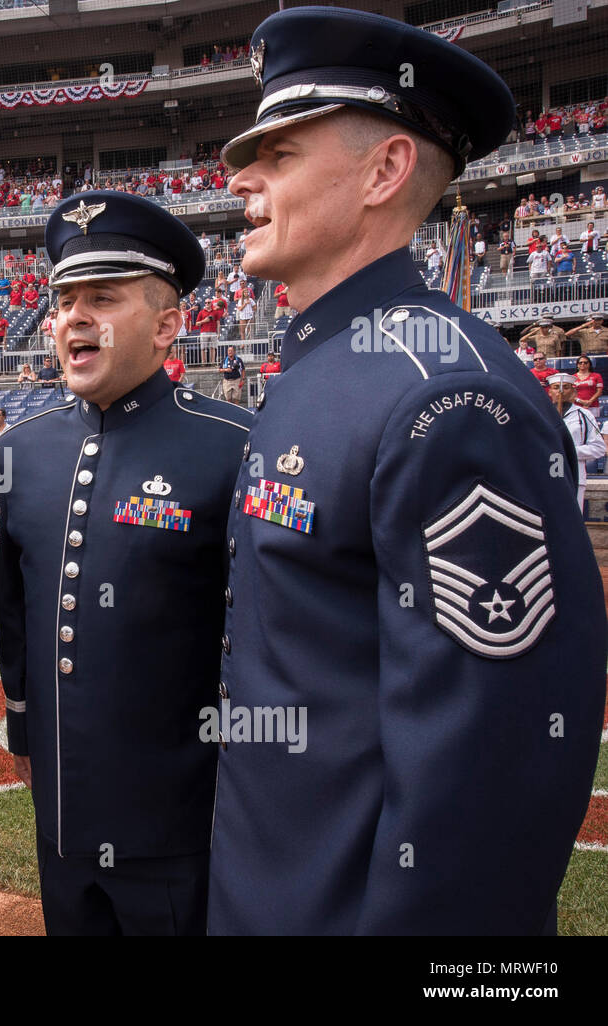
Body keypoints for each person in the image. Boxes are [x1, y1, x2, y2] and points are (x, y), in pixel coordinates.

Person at [209, 7, 605, 935]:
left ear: (385, 170)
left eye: (279, 156)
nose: (241, 181)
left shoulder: (448, 395)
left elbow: (491, 772)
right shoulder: (326, 365)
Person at [0, 190, 253, 935]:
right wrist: (24, 731)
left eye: (102, 298)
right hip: (64, 827)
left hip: (180, 830)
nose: (74, 316)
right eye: (63, 299)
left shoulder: (234, 444)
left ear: (168, 324)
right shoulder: (19, 451)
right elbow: (14, 613)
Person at [548, 373, 606, 513]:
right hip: (547, 475)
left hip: (574, 475)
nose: (561, 391)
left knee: (572, 517)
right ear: (550, 391)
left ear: (573, 391)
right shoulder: (541, 413)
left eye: (566, 387)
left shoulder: (584, 415)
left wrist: (570, 450)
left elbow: (599, 448)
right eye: (556, 387)